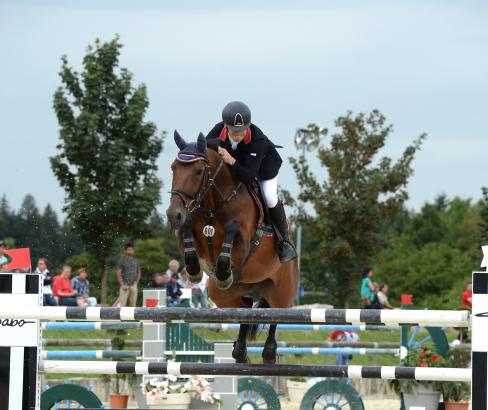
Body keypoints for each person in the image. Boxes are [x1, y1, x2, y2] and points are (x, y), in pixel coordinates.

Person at [206, 101, 297, 263]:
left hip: (263, 169)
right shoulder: (217, 129)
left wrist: (230, 160)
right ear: (226, 126)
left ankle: (285, 240)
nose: (239, 134)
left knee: (269, 197)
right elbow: (205, 147)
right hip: (236, 166)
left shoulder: (257, 139)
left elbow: (248, 177)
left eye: (242, 130)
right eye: (235, 130)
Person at [116, 242, 141, 307]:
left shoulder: (136, 261)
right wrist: (122, 285)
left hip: (133, 285)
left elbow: (139, 272)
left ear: (134, 250)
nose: (130, 251)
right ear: (125, 251)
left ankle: (130, 317)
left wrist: (136, 282)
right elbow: (118, 273)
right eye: (128, 249)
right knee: (122, 305)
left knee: (133, 305)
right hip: (124, 285)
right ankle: (122, 317)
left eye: (131, 249)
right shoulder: (121, 260)